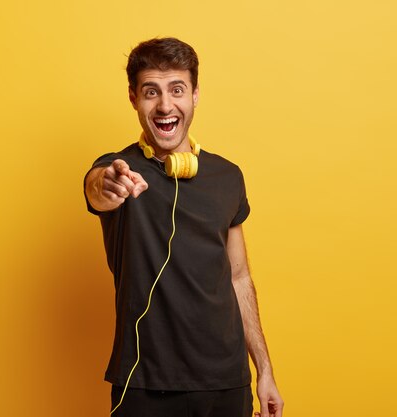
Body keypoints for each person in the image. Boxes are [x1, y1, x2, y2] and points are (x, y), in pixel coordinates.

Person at [84, 37, 284, 417]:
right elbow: (98, 190)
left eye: (177, 90)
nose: (164, 105)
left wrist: (265, 369)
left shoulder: (228, 176)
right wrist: (109, 184)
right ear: (133, 98)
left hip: (227, 381)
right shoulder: (116, 169)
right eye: (150, 92)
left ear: (194, 95)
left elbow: (239, 276)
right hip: (146, 383)